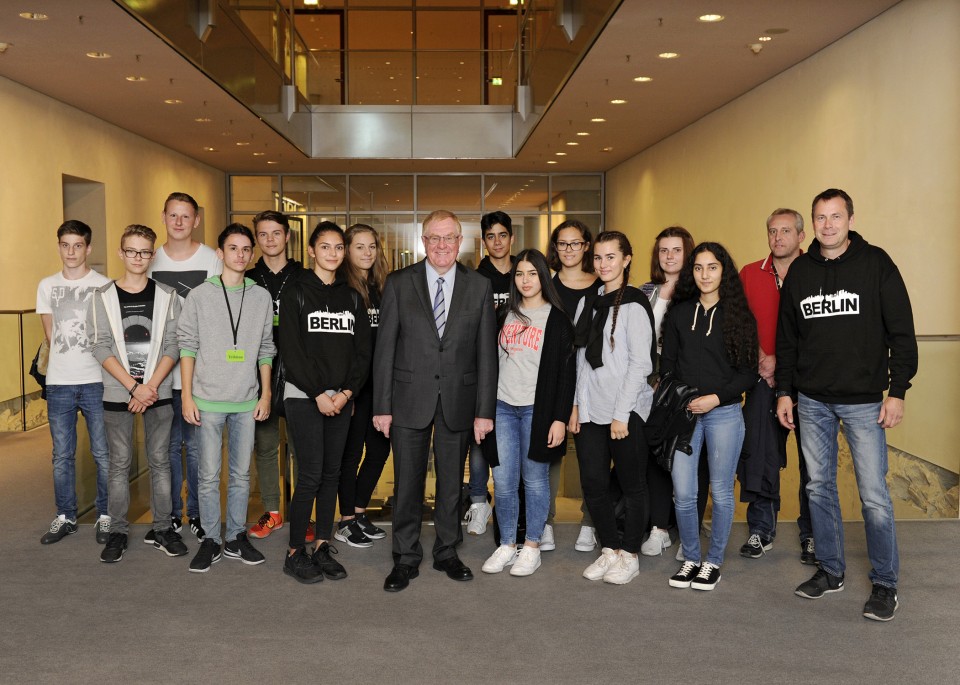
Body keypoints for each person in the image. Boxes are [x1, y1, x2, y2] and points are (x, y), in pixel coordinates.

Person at [777, 188, 917, 622]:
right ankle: (831, 570)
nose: (828, 225)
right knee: (818, 488)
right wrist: (785, 390)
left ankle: (885, 583)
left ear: (850, 219)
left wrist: (898, 391)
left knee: (874, 495)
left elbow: (902, 332)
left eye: (836, 217)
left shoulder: (876, 264)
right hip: (812, 400)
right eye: (820, 217)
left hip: (863, 402)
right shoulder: (800, 271)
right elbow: (787, 339)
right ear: (812, 224)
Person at [373, 210, 497, 592]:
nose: (442, 245)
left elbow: (486, 355)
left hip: (459, 401)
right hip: (408, 398)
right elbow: (385, 349)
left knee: (449, 483)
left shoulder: (479, 286)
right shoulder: (398, 283)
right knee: (407, 482)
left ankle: (447, 551)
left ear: (461, 242)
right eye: (434, 238)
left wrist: (484, 411)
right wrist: (382, 405)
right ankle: (405, 556)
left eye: (449, 238)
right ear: (423, 242)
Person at [178, 223, 275, 573]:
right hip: (207, 399)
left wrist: (265, 394)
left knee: (240, 475)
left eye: (246, 249)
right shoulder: (200, 295)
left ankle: (234, 537)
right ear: (220, 253)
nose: (240, 255)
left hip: (247, 401)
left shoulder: (260, 296)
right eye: (233, 248)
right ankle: (209, 539)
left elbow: (266, 349)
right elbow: (186, 347)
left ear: (252, 254)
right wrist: (187, 397)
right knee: (207, 476)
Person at [279, 222, 371, 584]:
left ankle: (321, 545)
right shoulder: (296, 292)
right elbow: (292, 350)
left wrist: (346, 393)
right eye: (325, 247)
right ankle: (293, 552)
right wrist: (319, 394)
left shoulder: (351, 296)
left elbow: (363, 353)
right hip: (305, 397)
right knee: (311, 475)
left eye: (338, 248)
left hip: (341, 399)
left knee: (332, 474)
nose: (332, 254)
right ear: (312, 251)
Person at [89, 224, 188, 562]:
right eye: (131, 251)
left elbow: (174, 345)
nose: (138, 258)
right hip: (119, 392)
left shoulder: (167, 295)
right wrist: (134, 387)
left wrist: (150, 388)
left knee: (160, 462)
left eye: (144, 252)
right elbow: (100, 346)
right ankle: (117, 532)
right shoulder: (102, 296)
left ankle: (162, 529)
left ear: (152, 254)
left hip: (158, 392)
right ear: (121, 253)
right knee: (119, 464)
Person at [663, 242, 757, 591]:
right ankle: (690, 558)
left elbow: (748, 373)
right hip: (685, 415)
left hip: (725, 414)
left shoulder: (739, 315)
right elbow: (667, 366)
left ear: (723, 272)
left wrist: (715, 398)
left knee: (720, 490)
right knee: (684, 493)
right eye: (699, 268)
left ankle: (713, 561)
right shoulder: (679, 312)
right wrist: (685, 398)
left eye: (712, 267)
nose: (705, 274)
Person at [481, 249, 575, 577]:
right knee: (504, 480)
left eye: (532, 274)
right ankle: (507, 544)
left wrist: (560, 418)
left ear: (543, 278)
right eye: (520, 274)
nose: (525, 280)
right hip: (503, 408)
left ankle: (532, 545)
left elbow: (567, 375)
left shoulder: (557, 319)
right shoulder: (502, 314)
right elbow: (487, 363)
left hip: (538, 409)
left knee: (534, 480)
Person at [569, 231, 655, 585]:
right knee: (593, 484)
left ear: (626, 259)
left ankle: (630, 553)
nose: (603, 264)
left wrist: (622, 413)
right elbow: (580, 360)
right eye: (599, 258)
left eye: (611, 257)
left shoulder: (634, 304)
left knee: (633, 486)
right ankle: (610, 549)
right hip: (590, 410)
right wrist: (575, 405)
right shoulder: (588, 303)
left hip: (624, 411)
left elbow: (640, 365)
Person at [737, 209, 814, 563]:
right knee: (759, 454)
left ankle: (813, 534)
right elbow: (738, 324)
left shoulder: (817, 271)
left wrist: (782, 364)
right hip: (762, 377)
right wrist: (762, 360)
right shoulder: (751, 274)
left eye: (785, 231)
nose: (778, 237)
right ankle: (760, 531)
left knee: (814, 462)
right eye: (772, 231)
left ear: (801, 235)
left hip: (809, 380)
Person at [149, 192, 222, 542]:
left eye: (186, 216)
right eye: (173, 215)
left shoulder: (212, 259)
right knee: (166, 447)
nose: (179, 222)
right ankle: (170, 515)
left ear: (196, 221)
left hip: (200, 374)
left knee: (195, 449)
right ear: (164, 217)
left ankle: (194, 512)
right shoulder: (150, 259)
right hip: (161, 375)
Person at [36, 220, 111, 545]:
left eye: (77, 245)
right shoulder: (47, 285)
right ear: (59, 247)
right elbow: (51, 335)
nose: (70, 251)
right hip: (60, 382)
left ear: (88, 248)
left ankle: (106, 515)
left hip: (96, 380)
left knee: (103, 452)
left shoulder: (104, 285)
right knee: (62, 454)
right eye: (65, 245)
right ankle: (65, 516)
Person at [245, 210, 306, 541]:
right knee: (266, 447)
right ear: (257, 239)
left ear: (287, 236)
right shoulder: (247, 276)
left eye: (276, 233)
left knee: (301, 449)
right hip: (258, 374)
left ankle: (302, 514)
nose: (270, 239)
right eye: (263, 234)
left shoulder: (304, 277)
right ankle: (272, 511)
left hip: (298, 373)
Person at [639, 226, 695, 557]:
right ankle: (659, 528)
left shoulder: (696, 291)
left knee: (687, 460)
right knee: (654, 459)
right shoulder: (645, 291)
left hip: (685, 389)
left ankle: (687, 532)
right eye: (663, 250)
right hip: (648, 390)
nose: (669, 256)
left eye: (676, 250)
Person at [546, 219, 600, 553]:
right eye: (562, 244)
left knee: (592, 458)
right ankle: (545, 521)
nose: (569, 250)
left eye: (575, 243)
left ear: (585, 246)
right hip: (553, 380)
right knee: (549, 457)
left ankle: (590, 522)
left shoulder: (602, 286)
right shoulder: (545, 285)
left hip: (594, 382)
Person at [335, 224, 391, 547]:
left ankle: (357, 512)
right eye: (360, 247)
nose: (367, 253)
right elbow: (341, 345)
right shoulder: (343, 288)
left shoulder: (382, 287)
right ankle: (345, 520)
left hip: (380, 385)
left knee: (380, 449)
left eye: (372, 247)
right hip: (353, 387)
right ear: (347, 249)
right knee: (351, 453)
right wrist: (346, 390)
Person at [464, 211, 516, 537]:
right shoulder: (474, 279)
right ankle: (478, 501)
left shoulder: (524, 276)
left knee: (511, 442)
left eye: (502, 235)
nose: (497, 242)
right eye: (490, 236)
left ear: (511, 238)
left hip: (516, 373)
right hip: (482, 370)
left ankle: (509, 504)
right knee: (480, 439)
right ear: (484, 242)